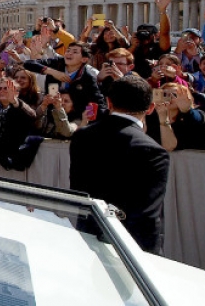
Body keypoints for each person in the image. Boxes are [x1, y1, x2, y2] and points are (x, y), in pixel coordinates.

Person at [69, 75, 170, 254]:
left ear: (108, 103)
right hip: (129, 248)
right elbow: (147, 215)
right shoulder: (152, 150)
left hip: (89, 234)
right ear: (150, 108)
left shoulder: (82, 135)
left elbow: (78, 188)